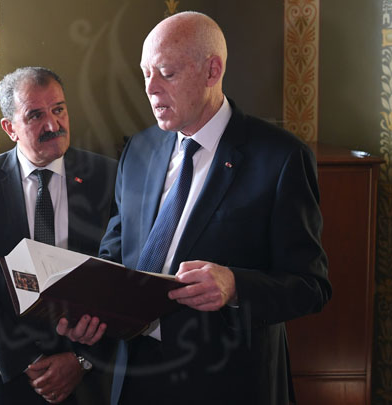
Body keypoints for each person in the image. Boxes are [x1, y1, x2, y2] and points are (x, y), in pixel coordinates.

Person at [57, 12, 332, 405]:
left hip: (227, 384)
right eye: (145, 73)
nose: (150, 88)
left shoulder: (281, 158)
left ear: (212, 71)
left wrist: (234, 285)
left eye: (166, 73)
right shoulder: (138, 149)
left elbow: (311, 286)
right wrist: (91, 310)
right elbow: (115, 252)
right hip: (135, 378)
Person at [0, 66, 117, 405]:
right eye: (35, 115)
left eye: (58, 110)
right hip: (4, 378)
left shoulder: (108, 176)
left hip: (85, 378)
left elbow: (121, 274)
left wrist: (81, 360)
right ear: (9, 128)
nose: (53, 125)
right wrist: (28, 361)